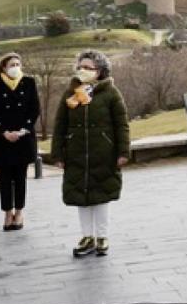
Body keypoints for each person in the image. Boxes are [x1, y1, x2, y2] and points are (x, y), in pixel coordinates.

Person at [50, 50, 130, 257]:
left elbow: (122, 125)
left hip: (103, 153)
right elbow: (60, 125)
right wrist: (57, 154)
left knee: (101, 196)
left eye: (88, 67)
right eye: (81, 67)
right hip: (76, 154)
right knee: (81, 196)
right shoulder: (71, 93)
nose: (83, 70)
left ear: (100, 71)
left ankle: (102, 236)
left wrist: (123, 151)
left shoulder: (112, 93)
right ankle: (87, 236)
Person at [0, 53, 39, 231]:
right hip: (2, 139)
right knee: (5, 178)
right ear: (3, 68)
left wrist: (23, 130)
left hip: (23, 137)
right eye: (11, 64)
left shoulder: (29, 82)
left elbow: (34, 109)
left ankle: (19, 212)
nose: (15, 67)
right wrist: (4, 132)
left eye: (18, 63)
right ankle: (8, 212)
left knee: (21, 177)